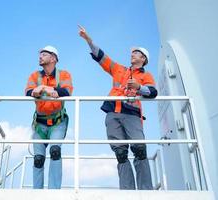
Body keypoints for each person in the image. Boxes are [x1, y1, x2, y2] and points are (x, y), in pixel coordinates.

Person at [78, 25, 157, 190]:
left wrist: (138, 87)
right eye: (132, 52)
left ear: (143, 59)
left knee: (140, 149)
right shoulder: (119, 69)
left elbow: (152, 91)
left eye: (136, 53)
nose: (132, 54)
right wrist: (89, 41)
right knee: (120, 153)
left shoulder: (146, 75)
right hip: (113, 114)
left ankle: (146, 191)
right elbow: (102, 57)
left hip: (132, 115)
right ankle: (127, 191)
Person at [25, 45, 73, 189]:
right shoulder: (34, 76)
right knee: (38, 159)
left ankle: (54, 193)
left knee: (55, 151)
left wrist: (44, 89)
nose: (40, 56)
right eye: (40, 54)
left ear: (53, 58)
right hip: (40, 123)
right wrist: (36, 91)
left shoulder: (64, 75)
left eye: (44, 54)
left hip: (58, 121)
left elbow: (66, 91)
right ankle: (37, 193)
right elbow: (28, 92)